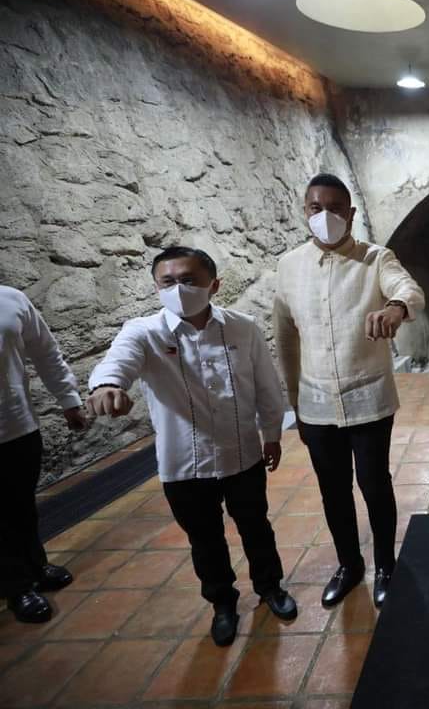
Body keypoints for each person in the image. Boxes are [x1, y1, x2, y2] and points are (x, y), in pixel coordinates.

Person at [87, 247, 296, 646]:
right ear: (156, 287)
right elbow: (118, 361)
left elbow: (267, 386)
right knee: (205, 539)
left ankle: (270, 587)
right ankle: (222, 603)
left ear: (213, 285)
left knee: (256, 527)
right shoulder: (143, 332)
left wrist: (271, 434)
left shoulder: (243, 327)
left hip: (242, 454)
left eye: (189, 280)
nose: (179, 289)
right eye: (168, 282)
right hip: (184, 464)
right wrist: (106, 385)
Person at [273, 173, 424, 609]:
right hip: (316, 402)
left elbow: (409, 290)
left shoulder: (376, 259)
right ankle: (349, 565)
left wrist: (396, 307)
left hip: (368, 398)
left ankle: (386, 565)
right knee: (333, 489)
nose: (326, 216)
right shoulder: (289, 267)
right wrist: (296, 403)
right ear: (305, 212)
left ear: (351, 213)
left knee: (374, 485)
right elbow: (286, 338)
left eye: (335, 208)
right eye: (316, 208)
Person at [0, 286, 88, 623]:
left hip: (17, 424)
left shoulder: (10, 299)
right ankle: (16, 586)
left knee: (22, 505)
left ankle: (35, 566)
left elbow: (46, 352)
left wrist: (69, 400)